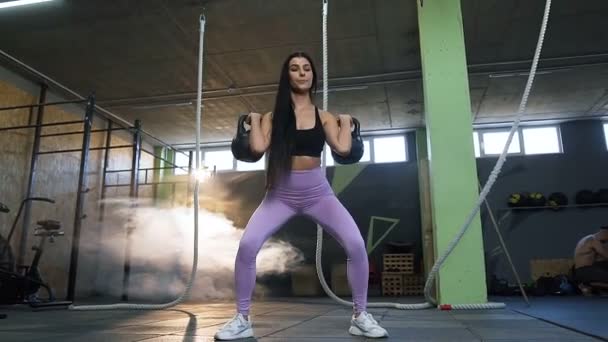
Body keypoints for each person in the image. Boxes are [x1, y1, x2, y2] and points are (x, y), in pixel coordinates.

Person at [214, 52, 388, 340]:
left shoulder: (324, 116)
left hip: (318, 193)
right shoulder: (273, 118)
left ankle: (360, 316)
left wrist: (345, 122)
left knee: (356, 245)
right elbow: (257, 149)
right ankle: (242, 318)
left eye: (307, 68)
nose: (302, 72)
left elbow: (344, 150)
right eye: (295, 69)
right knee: (247, 247)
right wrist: (255, 119)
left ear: (312, 76)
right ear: (288, 76)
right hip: (279, 194)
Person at [573, 225, 608, 294]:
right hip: (585, 271)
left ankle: (588, 285)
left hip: (585, 270)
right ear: (605, 233)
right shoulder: (592, 240)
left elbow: (601, 259)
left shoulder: (589, 238)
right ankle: (586, 284)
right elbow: (606, 255)